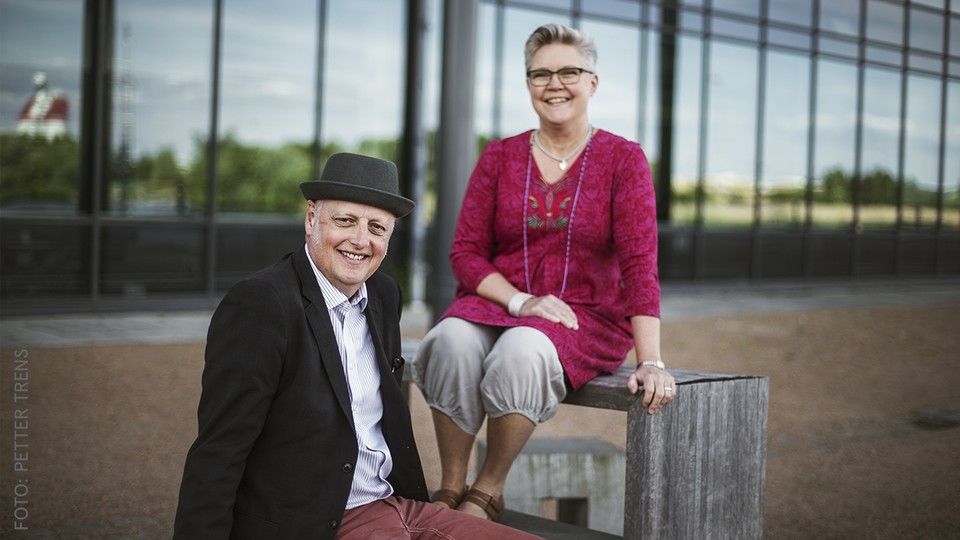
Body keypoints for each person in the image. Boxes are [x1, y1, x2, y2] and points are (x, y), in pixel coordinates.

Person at [173, 153, 541, 539]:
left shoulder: (383, 294)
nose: (361, 240)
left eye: (376, 227)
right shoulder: (262, 303)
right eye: (345, 221)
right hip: (314, 521)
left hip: (396, 503)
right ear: (311, 218)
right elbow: (220, 449)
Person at [412, 24, 676, 522]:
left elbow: (641, 264)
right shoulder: (499, 156)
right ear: (528, 83)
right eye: (540, 74)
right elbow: (466, 253)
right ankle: (450, 485)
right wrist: (521, 301)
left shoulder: (624, 159)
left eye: (569, 71)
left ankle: (487, 490)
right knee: (448, 339)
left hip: (584, 316)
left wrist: (652, 361)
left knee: (522, 348)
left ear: (592, 82)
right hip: (499, 304)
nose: (554, 84)